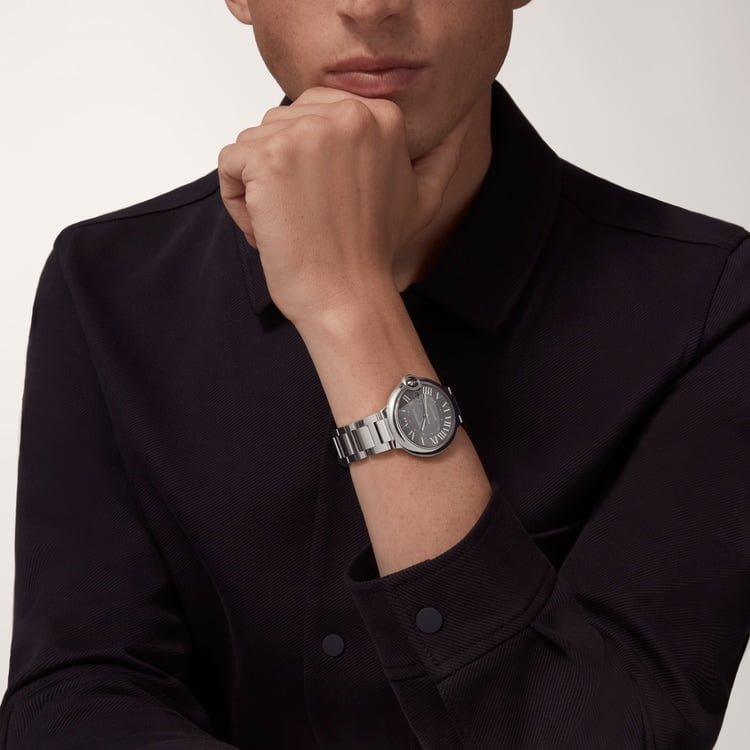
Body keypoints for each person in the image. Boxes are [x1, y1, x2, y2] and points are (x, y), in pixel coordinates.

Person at [0, 0, 748, 747]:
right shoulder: (104, 282)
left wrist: (350, 308)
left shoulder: (713, 306)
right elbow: (76, 702)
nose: (370, 5)